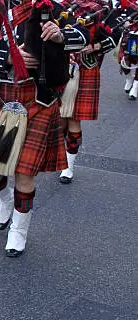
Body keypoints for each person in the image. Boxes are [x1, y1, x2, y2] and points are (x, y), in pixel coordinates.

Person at [0, 0, 89, 257]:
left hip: (37, 99)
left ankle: (19, 229)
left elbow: (82, 36)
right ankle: (5, 198)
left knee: (25, 171)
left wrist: (60, 35)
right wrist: (8, 56)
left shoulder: (50, 8)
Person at [58, 0, 115, 184]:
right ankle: (60, 157)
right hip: (61, 66)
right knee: (59, 120)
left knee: (74, 118)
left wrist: (95, 47)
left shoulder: (103, 8)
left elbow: (115, 36)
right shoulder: (64, 5)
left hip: (86, 68)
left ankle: (68, 166)